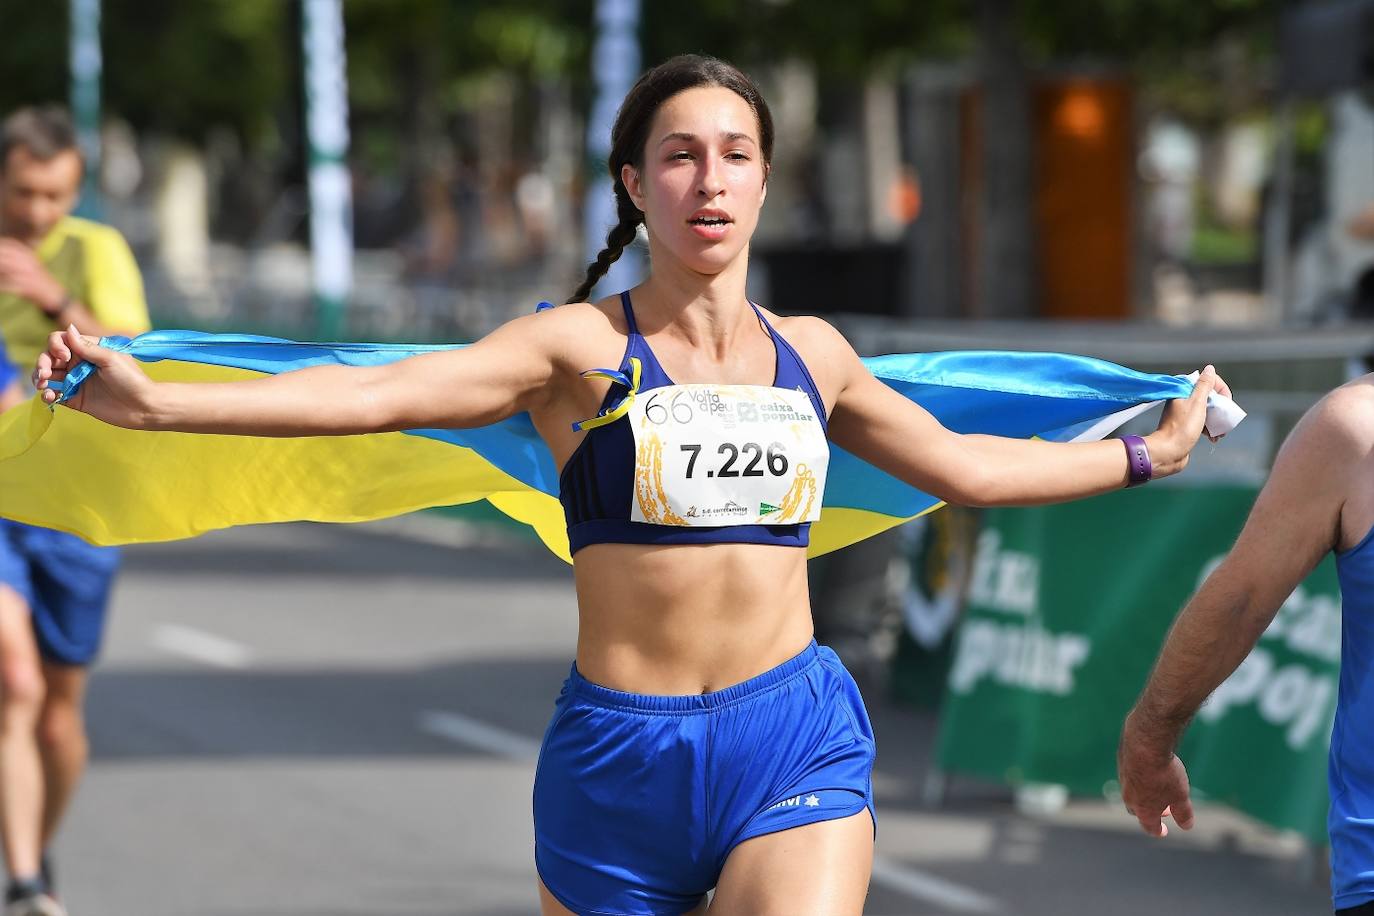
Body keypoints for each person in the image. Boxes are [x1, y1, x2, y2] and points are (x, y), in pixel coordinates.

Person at [33, 56, 1225, 916]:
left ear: (763, 184)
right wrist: (156, 400)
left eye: (736, 155)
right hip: (619, 756)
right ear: (635, 184)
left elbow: (968, 467)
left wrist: (1141, 454)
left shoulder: (816, 354)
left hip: (790, 737)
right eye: (680, 155)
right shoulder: (570, 352)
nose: (710, 179)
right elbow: (372, 392)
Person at [1117, 373, 1374, 914]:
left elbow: (1243, 600)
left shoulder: (1355, 424)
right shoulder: (1353, 427)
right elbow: (1242, 600)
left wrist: (1150, 736)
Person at [0, 105, 150, 916]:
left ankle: (34, 854)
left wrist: (53, 295)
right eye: (23, 192)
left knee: (59, 716)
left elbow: (134, 354)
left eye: (55, 195)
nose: (37, 212)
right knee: (12, 679)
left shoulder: (96, 252)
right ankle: (23, 881)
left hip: (76, 496)